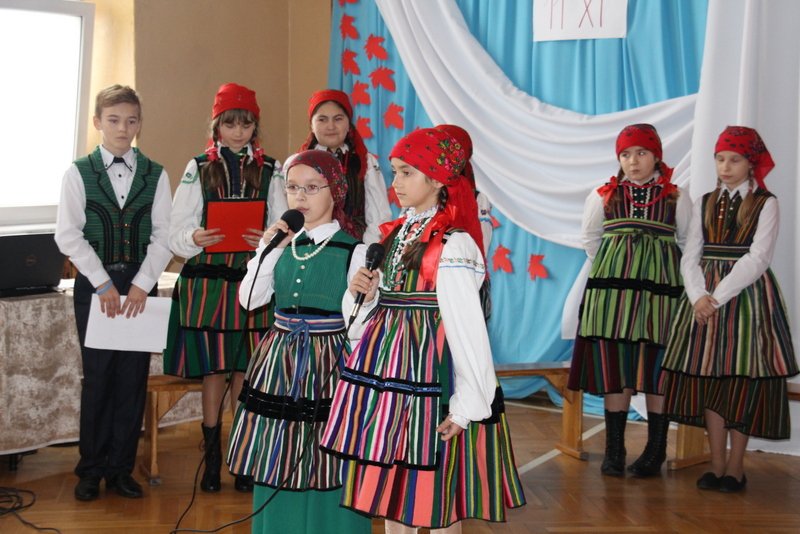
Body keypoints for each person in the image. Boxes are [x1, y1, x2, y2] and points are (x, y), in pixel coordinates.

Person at [321, 128, 526, 533]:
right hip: (389, 378)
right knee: (391, 488)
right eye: (394, 172)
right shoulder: (394, 235)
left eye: (406, 173)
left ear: (436, 179)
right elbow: (368, 318)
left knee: (437, 490)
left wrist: (465, 406)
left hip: (432, 375)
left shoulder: (453, 244)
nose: (395, 182)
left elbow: (467, 329)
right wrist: (364, 294)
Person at [226, 149, 371, 534]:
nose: (300, 197)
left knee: (328, 451)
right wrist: (268, 249)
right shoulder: (281, 244)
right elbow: (249, 299)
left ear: (335, 191)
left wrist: (365, 297)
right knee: (278, 450)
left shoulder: (354, 250)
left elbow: (357, 325)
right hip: (279, 359)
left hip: (329, 361)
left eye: (311, 187)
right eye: (292, 188)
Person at [660, 126, 798, 492]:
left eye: (734, 160)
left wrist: (716, 298)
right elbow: (691, 254)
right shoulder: (705, 201)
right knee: (709, 380)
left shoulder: (766, 203)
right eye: (720, 159)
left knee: (740, 382)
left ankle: (736, 467)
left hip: (746, 299)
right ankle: (716, 464)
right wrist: (696, 296)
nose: (725, 166)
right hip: (704, 298)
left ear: (751, 162)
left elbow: (758, 257)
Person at [164, 83, 286, 493]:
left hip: (252, 278)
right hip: (211, 281)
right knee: (214, 368)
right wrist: (194, 237)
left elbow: (285, 224)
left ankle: (242, 455)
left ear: (255, 127)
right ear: (217, 126)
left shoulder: (272, 169)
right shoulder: (198, 166)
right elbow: (176, 229)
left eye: (246, 125)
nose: (238, 132)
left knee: (244, 369)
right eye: (230, 124)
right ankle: (212, 456)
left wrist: (267, 238)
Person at [55, 84, 172, 501]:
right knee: (98, 377)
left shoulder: (156, 174)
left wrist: (141, 284)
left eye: (131, 120)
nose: (123, 128)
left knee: (132, 378)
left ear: (140, 123)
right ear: (98, 122)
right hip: (96, 284)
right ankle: (91, 469)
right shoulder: (78, 172)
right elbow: (68, 234)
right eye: (114, 120)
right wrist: (102, 281)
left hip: (140, 284)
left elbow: (164, 235)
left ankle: (121, 468)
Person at [567, 123, 692, 477]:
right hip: (613, 297)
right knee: (615, 367)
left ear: (656, 156)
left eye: (641, 153)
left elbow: (686, 242)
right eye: (625, 154)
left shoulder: (676, 197)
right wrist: (619, 265)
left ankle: (655, 450)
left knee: (657, 367)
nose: (633, 161)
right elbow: (591, 240)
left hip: (660, 295)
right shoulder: (604, 195)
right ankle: (614, 449)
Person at [296, 89, 392, 244]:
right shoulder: (297, 164)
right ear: (311, 125)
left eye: (338, 119)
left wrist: (365, 249)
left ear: (349, 124)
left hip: (355, 245)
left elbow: (379, 216)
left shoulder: (365, 162)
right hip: (308, 245)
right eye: (322, 119)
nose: (331, 126)